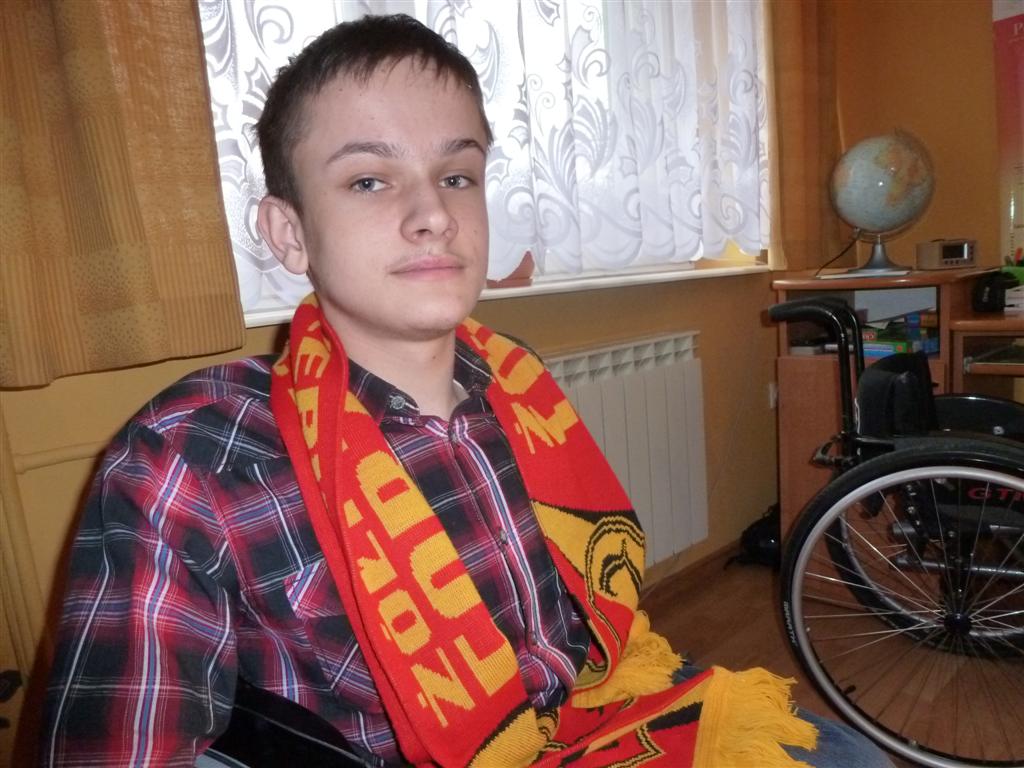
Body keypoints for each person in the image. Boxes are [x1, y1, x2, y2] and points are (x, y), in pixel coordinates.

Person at [41, 13, 891, 768]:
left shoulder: (518, 383)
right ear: (289, 232)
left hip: (595, 713)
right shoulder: (189, 454)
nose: (434, 215)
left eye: (457, 175)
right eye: (369, 180)